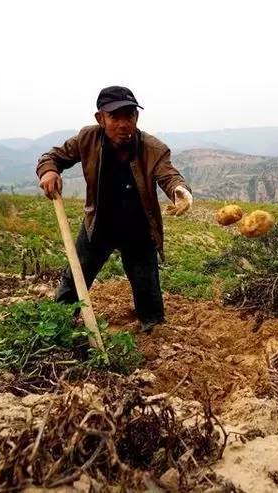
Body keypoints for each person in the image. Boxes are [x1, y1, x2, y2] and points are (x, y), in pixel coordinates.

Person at [36, 85, 192, 333]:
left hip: (138, 228)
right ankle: (59, 325)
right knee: (75, 279)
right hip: (99, 224)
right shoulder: (87, 139)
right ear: (100, 118)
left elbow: (169, 175)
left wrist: (179, 191)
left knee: (146, 286)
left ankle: (153, 332)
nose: (123, 123)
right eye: (115, 116)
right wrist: (49, 171)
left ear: (136, 117)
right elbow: (52, 157)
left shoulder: (154, 149)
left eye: (129, 115)